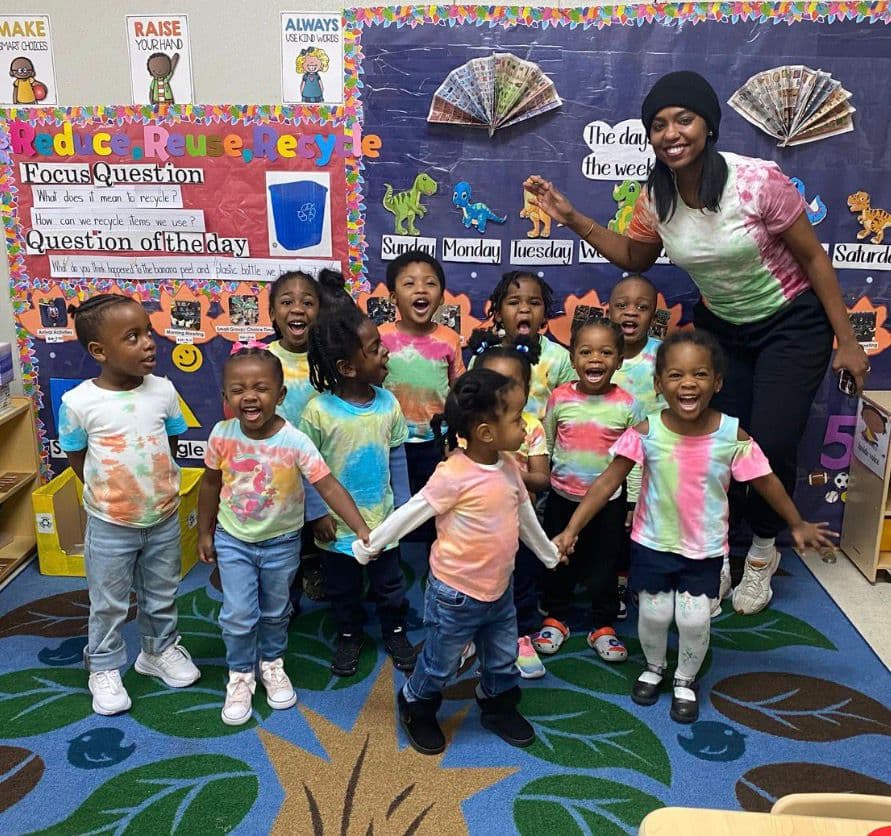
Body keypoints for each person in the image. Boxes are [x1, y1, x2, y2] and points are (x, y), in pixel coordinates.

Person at [524, 70, 868, 615]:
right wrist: (570, 218)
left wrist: (846, 340)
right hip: (723, 326)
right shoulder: (656, 198)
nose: (671, 133)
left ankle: (761, 552)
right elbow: (636, 258)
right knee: (710, 444)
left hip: (790, 322)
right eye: (658, 125)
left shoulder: (757, 182)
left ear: (708, 125)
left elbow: (814, 259)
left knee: (772, 443)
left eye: (683, 119)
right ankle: (715, 556)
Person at [552, 331, 837, 723]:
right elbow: (607, 482)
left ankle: (685, 679)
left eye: (700, 374)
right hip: (652, 546)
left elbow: (765, 480)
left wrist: (796, 522)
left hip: (703, 551)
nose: (688, 383)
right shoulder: (647, 432)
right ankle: (653, 668)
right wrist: (572, 529)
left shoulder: (730, 434)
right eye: (675, 375)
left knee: (693, 619)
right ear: (659, 384)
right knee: (652, 616)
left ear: (717, 382)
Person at [353, 369, 565, 755]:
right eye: (517, 419)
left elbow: (524, 518)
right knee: (440, 663)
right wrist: (372, 545)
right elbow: (412, 512)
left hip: (500, 593)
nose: (525, 425)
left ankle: (497, 705)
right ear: (486, 432)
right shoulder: (453, 475)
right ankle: (416, 703)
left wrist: (548, 554)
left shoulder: (509, 468)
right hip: (455, 596)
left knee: (502, 659)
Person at [197, 343, 371, 725]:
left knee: (277, 611)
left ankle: (271, 663)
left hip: (281, 543)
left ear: (280, 394)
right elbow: (209, 485)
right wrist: (204, 532)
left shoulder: (294, 440)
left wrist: (359, 526)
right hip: (234, 539)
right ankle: (241, 674)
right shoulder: (221, 435)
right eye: (238, 390)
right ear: (225, 396)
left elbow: (327, 486)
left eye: (260, 387)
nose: (249, 397)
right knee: (240, 613)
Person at [58, 294, 200, 716]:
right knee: (109, 600)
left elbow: (171, 443)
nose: (148, 344)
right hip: (110, 523)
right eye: (132, 337)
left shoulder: (164, 390)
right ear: (99, 351)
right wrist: (107, 495)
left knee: (161, 592)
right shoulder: (80, 404)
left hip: (162, 516)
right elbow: (76, 457)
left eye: (148, 332)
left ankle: (158, 652)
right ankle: (103, 666)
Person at [300, 302, 416, 677]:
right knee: (343, 590)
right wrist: (316, 512)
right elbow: (307, 468)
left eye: (381, 343)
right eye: (374, 348)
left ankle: (395, 631)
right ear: (348, 367)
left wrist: (404, 506)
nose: (385, 352)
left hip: (383, 522)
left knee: (390, 586)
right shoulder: (318, 412)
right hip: (337, 530)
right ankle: (349, 634)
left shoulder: (389, 404)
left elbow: (397, 458)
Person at [535, 318, 644, 663]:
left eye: (605, 352)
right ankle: (555, 617)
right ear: (573, 357)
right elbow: (549, 443)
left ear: (620, 359)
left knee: (604, 566)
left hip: (608, 505)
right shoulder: (559, 397)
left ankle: (603, 624)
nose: (595, 359)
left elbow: (635, 460)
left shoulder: (628, 404)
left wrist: (632, 502)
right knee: (558, 561)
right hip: (562, 498)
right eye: (585, 352)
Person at [266, 269, 351, 608]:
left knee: (324, 525)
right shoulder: (263, 359)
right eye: (287, 302)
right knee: (284, 534)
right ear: (273, 313)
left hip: (324, 465)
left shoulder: (332, 360)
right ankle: (284, 593)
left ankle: (317, 568)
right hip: (278, 469)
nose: (297, 309)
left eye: (307, 302)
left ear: (320, 311)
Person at [470, 330, 549, 679]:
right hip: (475, 527)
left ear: (527, 390)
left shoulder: (529, 427)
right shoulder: (470, 427)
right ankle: (468, 633)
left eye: (511, 383)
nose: (501, 392)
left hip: (519, 525)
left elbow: (542, 478)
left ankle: (521, 636)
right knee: (474, 581)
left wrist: (508, 473)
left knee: (522, 581)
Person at [379, 250, 465, 549]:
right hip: (390, 441)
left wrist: (453, 439)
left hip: (434, 440)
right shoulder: (380, 337)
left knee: (433, 503)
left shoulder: (449, 339)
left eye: (429, 284)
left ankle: (433, 558)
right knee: (396, 504)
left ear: (441, 297)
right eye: (409, 284)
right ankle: (394, 555)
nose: (420, 290)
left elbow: (457, 389)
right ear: (393, 297)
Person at [608, 274, 666, 618]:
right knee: (612, 528)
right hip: (603, 463)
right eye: (622, 306)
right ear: (609, 309)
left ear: (654, 315)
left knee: (643, 527)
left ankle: (642, 582)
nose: (631, 313)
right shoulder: (596, 351)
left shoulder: (662, 357)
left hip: (650, 463)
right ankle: (613, 583)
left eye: (642, 308)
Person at [476, 270, 576, 420]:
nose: (524, 309)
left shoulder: (560, 359)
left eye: (534, 303)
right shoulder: (486, 357)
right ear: (498, 314)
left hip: (542, 441)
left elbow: (569, 412)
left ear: (544, 316)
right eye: (514, 302)